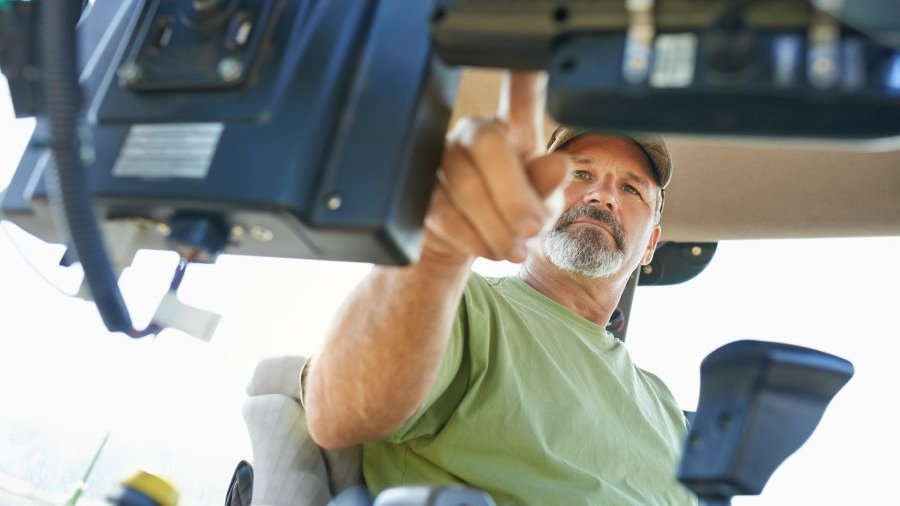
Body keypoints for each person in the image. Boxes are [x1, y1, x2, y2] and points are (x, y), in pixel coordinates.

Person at [303, 71, 696, 505]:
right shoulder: (462, 304)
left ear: (650, 246)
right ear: (535, 197)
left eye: (630, 188)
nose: (602, 197)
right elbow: (337, 413)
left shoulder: (664, 408)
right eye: (580, 174)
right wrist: (439, 245)